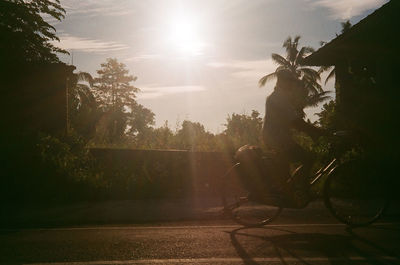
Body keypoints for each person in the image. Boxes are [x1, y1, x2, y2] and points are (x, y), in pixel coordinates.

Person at [261, 69, 323, 206]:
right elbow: (295, 122)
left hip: (277, 137)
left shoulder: (280, 96)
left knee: (286, 166)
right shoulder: (278, 98)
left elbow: (294, 122)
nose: (292, 84)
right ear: (283, 81)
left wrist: (312, 132)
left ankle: (289, 188)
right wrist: (317, 131)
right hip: (277, 139)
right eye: (290, 81)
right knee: (308, 158)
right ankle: (301, 189)